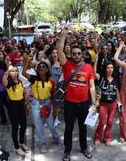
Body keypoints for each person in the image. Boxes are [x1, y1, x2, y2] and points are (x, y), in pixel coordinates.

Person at [56, 28, 96, 161]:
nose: (77, 55)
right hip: (69, 104)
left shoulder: (88, 67)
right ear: (71, 55)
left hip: (84, 104)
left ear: (82, 54)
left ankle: (84, 148)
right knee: (68, 129)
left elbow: (91, 86)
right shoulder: (66, 65)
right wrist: (64, 34)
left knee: (83, 128)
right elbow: (59, 49)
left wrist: (94, 103)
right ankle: (67, 151)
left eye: (79, 53)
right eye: (74, 53)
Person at [22, 59, 60, 153]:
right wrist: (28, 60)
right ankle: (43, 143)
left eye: (44, 67)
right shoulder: (34, 79)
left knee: (51, 124)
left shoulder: (52, 81)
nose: (41, 68)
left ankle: (56, 136)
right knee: (38, 126)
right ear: (37, 70)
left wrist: (55, 109)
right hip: (36, 104)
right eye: (39, 67)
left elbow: (54, 97)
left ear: (47, 69)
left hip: (47, 103)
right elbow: (23, 72)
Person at [3, 65, 29, 156]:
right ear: (9, 73)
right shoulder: (9, 83)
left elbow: (23, 94)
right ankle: (16, 147)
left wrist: (27, 104)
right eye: (12, 71)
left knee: (24, 125)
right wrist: (7, 70)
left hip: (21, 104)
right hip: (13, 106)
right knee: (15, 127)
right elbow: (4, 81)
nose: (14, 72)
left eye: (16, 71)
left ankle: (21, 142)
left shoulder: (20, 81)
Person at [93, 61, 120, 146]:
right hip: (103, 104)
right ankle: (97, 137)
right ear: (105, 69)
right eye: (108, 67)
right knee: (101, 122)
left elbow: (117, 91)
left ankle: (107, 138)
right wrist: (96, 61)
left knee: (110, 122)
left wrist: (119, 102)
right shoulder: (101, 78)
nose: (110, 69)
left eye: (111, 67)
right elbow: (94, 73)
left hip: (113, 104)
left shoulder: (116, 78)